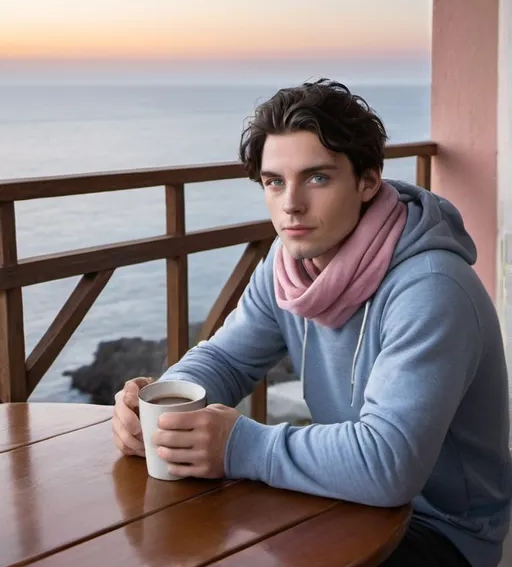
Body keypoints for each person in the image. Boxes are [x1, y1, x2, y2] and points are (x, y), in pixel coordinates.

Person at [112, 79, 511, 567]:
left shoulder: (432, 289)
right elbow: (225, 357)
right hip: (339, 501)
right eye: (274, 181)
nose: (290, 205)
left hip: (439, 530)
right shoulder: (290, 263)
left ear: (368, 181)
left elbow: (388, 464)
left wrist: (238, 444)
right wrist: (163, 406)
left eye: (317, 178)